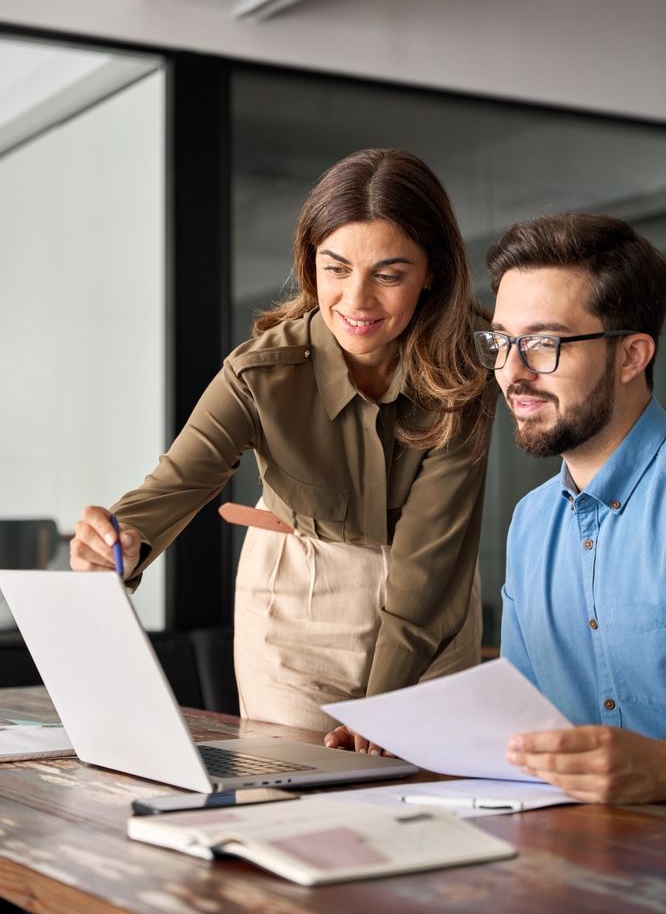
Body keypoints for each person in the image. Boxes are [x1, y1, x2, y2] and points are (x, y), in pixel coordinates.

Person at [71, 148, 494, 743]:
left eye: (389, 275)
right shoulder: (261, 373)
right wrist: (119, 540)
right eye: (335, 268)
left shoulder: (464, 371)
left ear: (434, 273)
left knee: (431, 808)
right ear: (309, 262)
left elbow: (431, 554)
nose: (356, 301)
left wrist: (386, 703)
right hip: (298, 606)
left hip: (433, 609)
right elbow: (177, 483)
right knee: (295, 802)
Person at [473, 211, 666, 804]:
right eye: (502, 342)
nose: (513, 372)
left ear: (632, 356)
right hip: (567, 855)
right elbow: (522, 726)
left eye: (543, 343)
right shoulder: (531, 524)